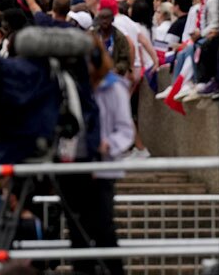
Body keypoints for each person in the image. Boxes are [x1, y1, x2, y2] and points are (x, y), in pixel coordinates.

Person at [90, 35, 131, 275]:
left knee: (104, 229)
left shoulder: (114, 86)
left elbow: (126, 129)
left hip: (104, 169)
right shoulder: (73, 85)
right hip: (76, 169)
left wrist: (108, 145)